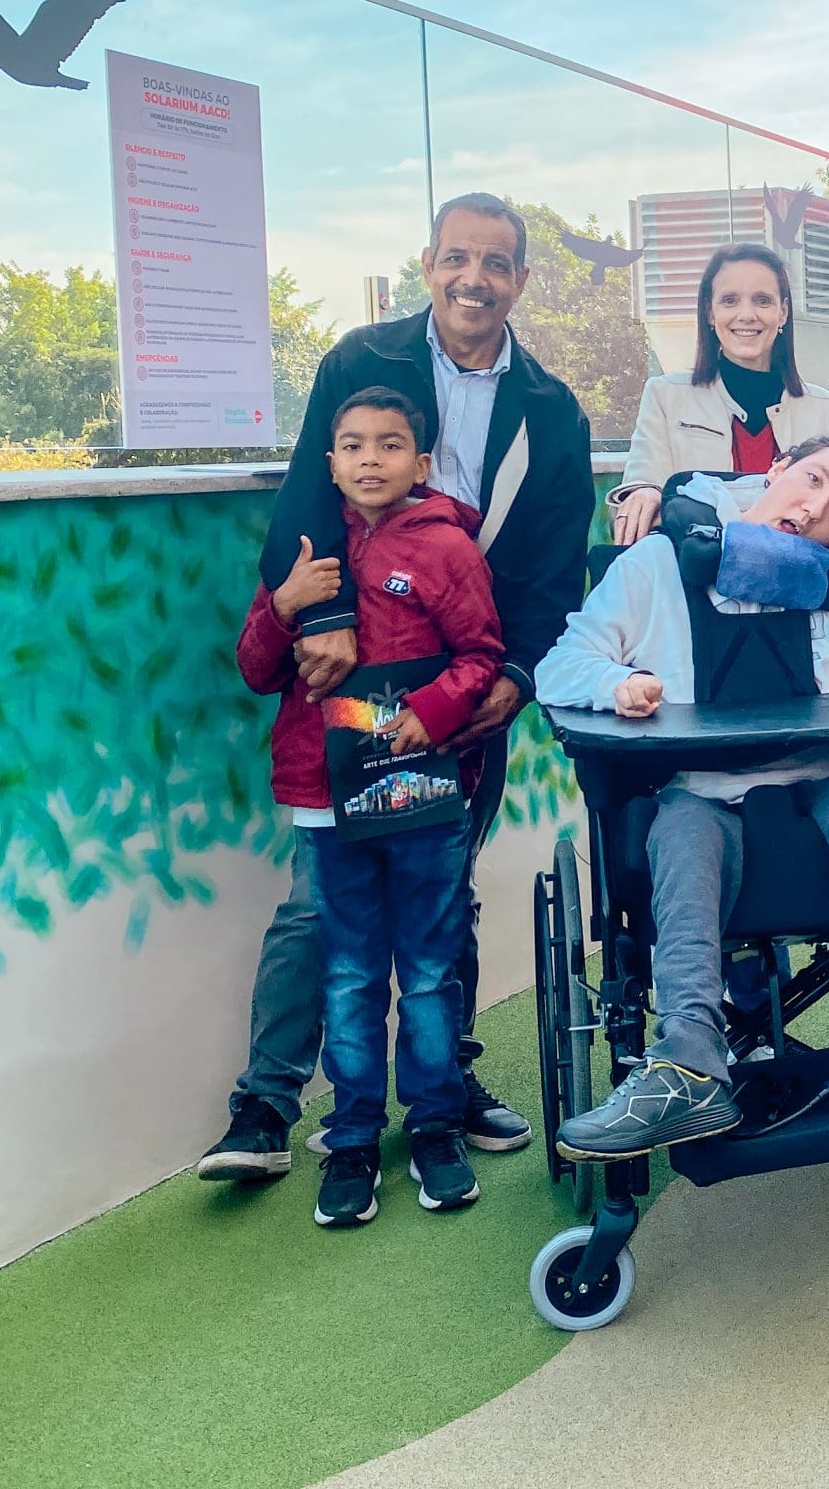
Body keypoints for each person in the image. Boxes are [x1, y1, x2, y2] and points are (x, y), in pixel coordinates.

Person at [196, 192, 593, 1182]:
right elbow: (302, 496)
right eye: (457, 258)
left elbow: (552, 562)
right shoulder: (359, 364)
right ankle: (265, 1106)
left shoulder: (552, 408)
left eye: (496, 263)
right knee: (313, 907)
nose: (474, 279)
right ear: (426, 265)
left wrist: (514, 674)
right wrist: (318, 616)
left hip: (463, 692)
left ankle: (443, 1090)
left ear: (521, 280)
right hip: (342, 695)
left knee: (440, 894)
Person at [535, 436, 829, 1155]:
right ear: (778, 469)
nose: (814, 509)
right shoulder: (656, 564)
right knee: (681, 833)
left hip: (815, 792)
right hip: (700, 795)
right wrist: (614, 685)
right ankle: (690, 1064)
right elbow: (562, 665)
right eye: (813, 481)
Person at [233, 389, 506, 1226]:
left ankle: (434, 1126)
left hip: (423, 799)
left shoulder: (448, 548)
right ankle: (351, 1134)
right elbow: (255, 669)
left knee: (427, 972)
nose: (370, 460)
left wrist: (434, 714)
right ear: (330, 462)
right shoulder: (307, 551)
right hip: (326, 802)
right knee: (350, 975)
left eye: (391, 446)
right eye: (352, 446)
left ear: (421, 464)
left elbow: (482, 654)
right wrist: (284, 607)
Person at [608, 242, 829, 547]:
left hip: (792, 586)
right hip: (686, 585)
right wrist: (644, 493)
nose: (746, 314)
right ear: (710, 312)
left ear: (783, 312)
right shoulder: (665, 396)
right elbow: (643, 487)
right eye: (730, 300)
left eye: (762, 300)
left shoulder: (826, 411)